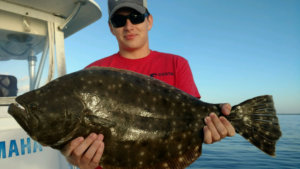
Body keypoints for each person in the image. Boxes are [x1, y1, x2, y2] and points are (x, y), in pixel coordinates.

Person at [63, 0, 236, 169]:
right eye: (119, 20)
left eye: (136, 17)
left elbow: (195, 117)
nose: (128, 26)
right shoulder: (91, 73)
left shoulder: (177, 63)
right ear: (111, 28)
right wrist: (78, 161)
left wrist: (216, 121)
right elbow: (76, 140)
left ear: (149, 21)